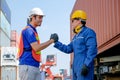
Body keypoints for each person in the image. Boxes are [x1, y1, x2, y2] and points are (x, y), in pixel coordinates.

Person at [53, 10, 97, 80]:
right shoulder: (76, 37)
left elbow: (92, 49)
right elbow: (68, 49)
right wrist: (56, 42)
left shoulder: (88, 32)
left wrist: (86, 65)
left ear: (79, 20)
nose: (72, 23)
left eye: (72, 21)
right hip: (75, 68)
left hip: (83, 67)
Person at [17, 8, 58, 80]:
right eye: (39, 17)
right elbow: (36, 48)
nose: (41, 19)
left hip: (34, 66)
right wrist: (51, 41)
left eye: (42, 17)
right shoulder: (28, 31)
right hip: (28, 65)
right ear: (32, 17)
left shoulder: (33, 31)